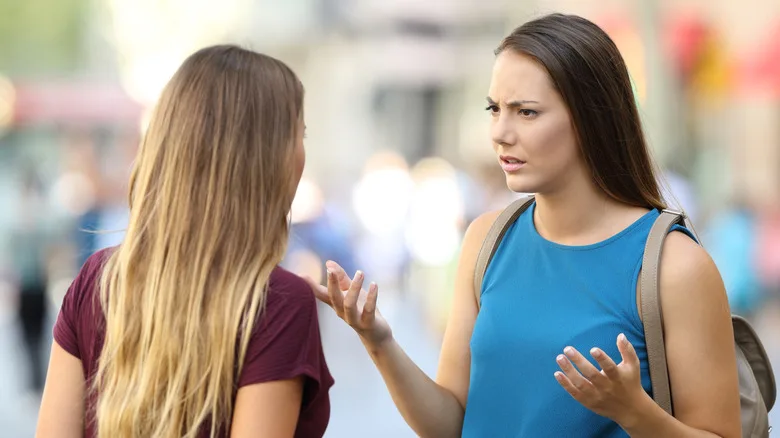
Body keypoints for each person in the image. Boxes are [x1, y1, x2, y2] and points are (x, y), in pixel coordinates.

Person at [306, 13, 741, 438]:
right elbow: (449, 424)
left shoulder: (674, 266)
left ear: (592, 118)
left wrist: (636, 414)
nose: (500, 131)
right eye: (494, 108)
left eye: (526, 112)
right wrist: (378, 341)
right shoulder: (487, 240)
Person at [36, 45, 333, 438]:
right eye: (301, 134)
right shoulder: (278, 303)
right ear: (266, 157)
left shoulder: (99, 280)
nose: (302, 153)